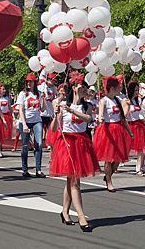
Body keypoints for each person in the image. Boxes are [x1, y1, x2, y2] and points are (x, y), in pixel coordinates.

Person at [50, 74, 100, 232]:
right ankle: (81, 215)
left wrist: (71, 110)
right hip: (67, 144)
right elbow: (53, 129)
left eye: (86, 87)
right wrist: (56, 113)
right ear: (73, 88)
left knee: (72, 180)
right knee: (73, 181)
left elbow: (88, 119)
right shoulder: (62, 104)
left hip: (82, 143)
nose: (84, 89)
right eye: (81, 86)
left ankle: (65, 211)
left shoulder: (87, 106)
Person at [93, 76, 134, 191]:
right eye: (117, 88)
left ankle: (108, 176)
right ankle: (109, 181)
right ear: (112, 88)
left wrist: (129, 131)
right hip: (108, 130)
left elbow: (122, 118)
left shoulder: (117, 100)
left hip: (119, 130)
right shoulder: (104, 100)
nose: (119, 91)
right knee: (108, 158)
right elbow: (100, 112)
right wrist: (100, 117)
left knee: (118, 158)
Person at [17, 73, 47, 178]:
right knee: (25, 146)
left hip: (37, 120)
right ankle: (25, 169)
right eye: (27, 81)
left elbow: (42, 109)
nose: (29, 83)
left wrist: (43, 99)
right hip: (25, 121)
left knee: (38, 144)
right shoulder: (22, 94)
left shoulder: (38, 94)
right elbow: (20, 109)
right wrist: (24, 124)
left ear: (35, 82)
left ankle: (38, 170)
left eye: (31, 81)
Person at [126, 81, 145, 176]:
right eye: (135, 90)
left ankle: (139, 168)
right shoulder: (126, 101)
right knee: (125, 146)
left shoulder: (138, 100)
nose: (137, 92)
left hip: (139, 125)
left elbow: (140, 112)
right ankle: (115, 163)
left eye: (138, 90)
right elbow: (124, 115)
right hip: (129, 125)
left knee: (140, 148)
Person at [39, 73, 58, 145]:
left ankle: (50, 144)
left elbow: (57, 95)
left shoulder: (53, 88)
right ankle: (38, 145)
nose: (54, 83)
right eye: (53, 81)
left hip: (51, 114)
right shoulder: (42, 87)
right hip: (42, 113)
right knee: (39, 132)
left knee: (51, 131)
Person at [0, 84, 14, 157]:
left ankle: (0, 149)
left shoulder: (7, 98)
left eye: (4, 89)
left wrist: (13, 117)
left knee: (3, 134)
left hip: (6, 116)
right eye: (2, 89)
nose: (4, 91)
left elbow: (10, 108)